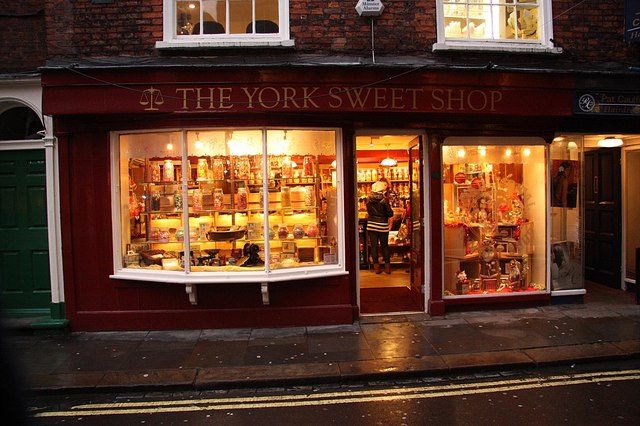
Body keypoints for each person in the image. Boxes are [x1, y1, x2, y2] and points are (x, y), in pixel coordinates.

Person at [367, 180, 395, 274]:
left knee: (374, 246)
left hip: (371, 225)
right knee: (384, 246)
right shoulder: (384, 200)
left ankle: (376, 268)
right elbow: (390, 213)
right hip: (382, 225)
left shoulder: (368, 199)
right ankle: (387, 268)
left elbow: (368, 211)